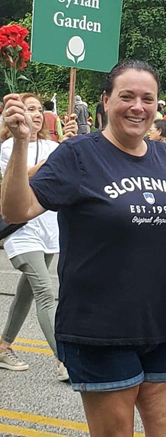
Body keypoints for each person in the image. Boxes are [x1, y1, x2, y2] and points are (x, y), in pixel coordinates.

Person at [1, 60, 166, 437]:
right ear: (105, 101)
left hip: (163, 327)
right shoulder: (78, 155)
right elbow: (18, 209)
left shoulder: (165, 156)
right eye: (126, 96)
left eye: (148, 98)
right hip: (100, 331)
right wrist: (20, 144)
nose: (138, 106)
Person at [0, 93, 77, 381]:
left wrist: (70, 144)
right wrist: (55, 158)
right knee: (46, 293)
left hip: (46, 230)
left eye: (39, 110)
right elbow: (21, 177)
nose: (35, 114)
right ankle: (64, 359)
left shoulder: (51, 145)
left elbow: (65, 173)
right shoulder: (10, 146)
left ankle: (3, 345)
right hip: (21, 231)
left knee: (26, 291)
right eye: (29, 109)